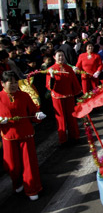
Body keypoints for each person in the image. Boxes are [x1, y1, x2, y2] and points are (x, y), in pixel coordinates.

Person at [0, 71, 46, 200]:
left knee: (29, 164)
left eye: (16, 82)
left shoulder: (24, 95)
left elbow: (33, 111)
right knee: (12, 166)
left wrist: (38, 115)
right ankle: (17, 183)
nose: (14, 85)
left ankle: (32, 189)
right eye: (11, 83)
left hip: (26, 134)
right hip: (8, 136)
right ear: (3, 84)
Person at [46, 50, 82, 144]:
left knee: (71, 117)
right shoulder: (51, 69)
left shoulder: (68, 68)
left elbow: (74, 81)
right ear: (54, 57)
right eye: (59, 56)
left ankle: (74, 136)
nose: (61, 58)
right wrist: (52, 76)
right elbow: (50, 87)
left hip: (69, 95)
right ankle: (63, 140)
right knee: (61, 119)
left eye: (62, 56)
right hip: (57, 97)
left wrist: (78, 92)